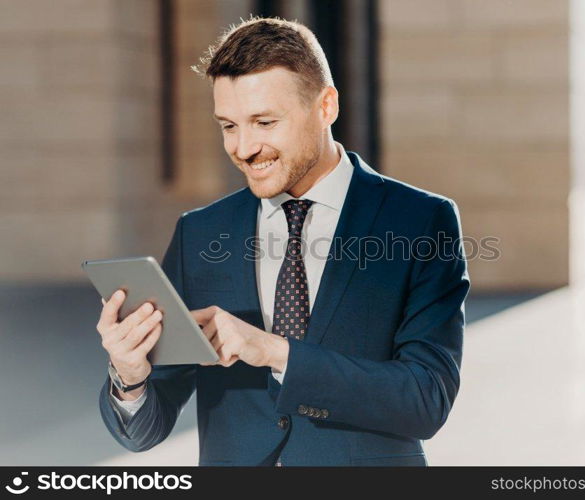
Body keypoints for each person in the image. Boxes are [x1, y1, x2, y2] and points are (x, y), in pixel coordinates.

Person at [97, 17, 470, 466]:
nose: (244, 147)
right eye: (229, 126)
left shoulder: (420, 221)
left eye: (264, 122)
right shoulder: (202, 232)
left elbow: (426, 399)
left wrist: (273, 351)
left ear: (326, 106)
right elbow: (145, 430)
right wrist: (130, 376)